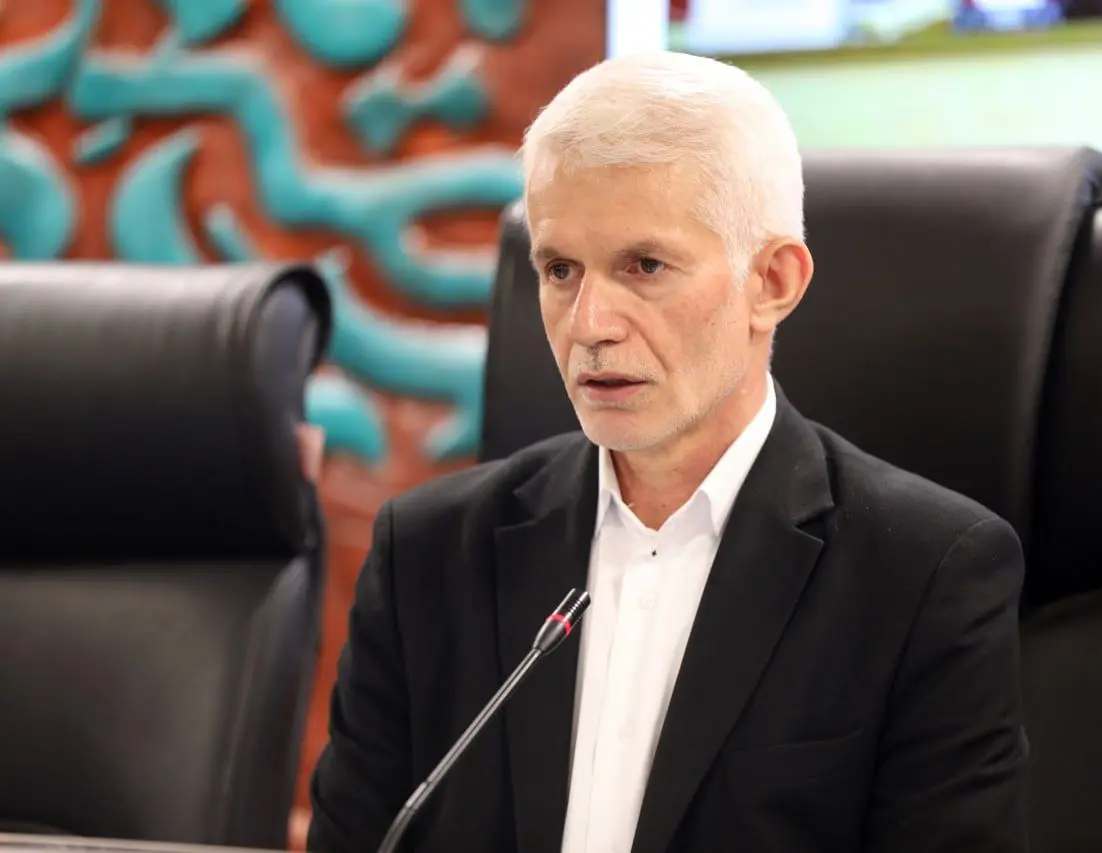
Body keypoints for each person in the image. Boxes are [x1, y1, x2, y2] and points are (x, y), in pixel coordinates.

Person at [307, 51, 1029, 853]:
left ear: (773, 282)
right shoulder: (428, 554)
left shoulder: (923, 575)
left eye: (644, 266)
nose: (589, 324)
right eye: (560, 269)